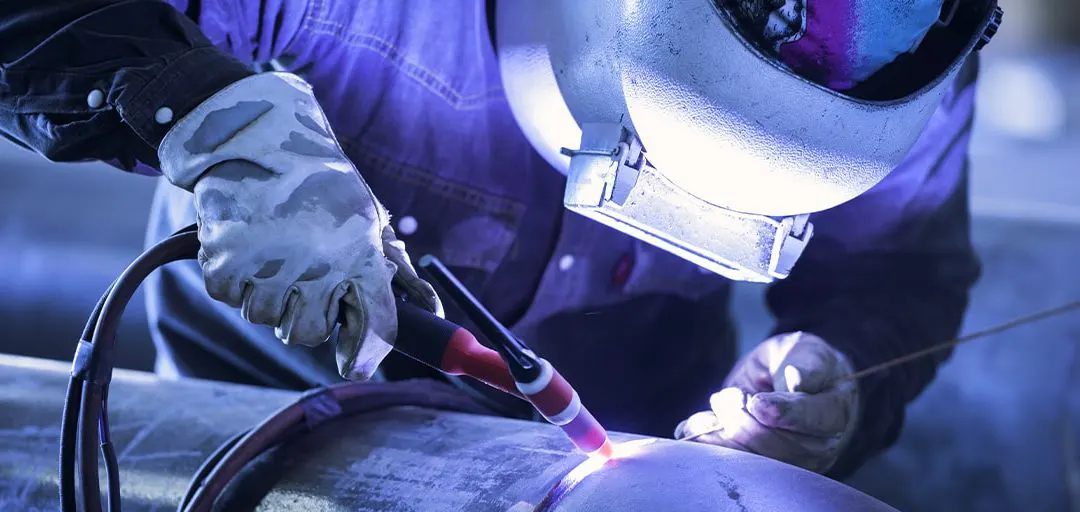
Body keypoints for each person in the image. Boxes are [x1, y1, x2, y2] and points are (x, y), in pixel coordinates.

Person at [0, 0, 995, 478]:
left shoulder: (905, 49)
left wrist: (841, 376)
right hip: (258, 469)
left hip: (620, 510)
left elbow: (898, 266)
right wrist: (202, 115)